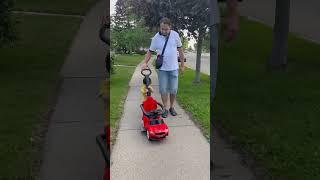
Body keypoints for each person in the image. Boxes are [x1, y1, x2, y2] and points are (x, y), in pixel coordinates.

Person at [141, 17, 185, 118]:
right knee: (163, 89)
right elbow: (150, 52)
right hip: (162, 70)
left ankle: (172, 107)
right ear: (160, 28)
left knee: (173, 89)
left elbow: (181, 51)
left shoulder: (175, 35)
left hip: (174, 68)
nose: (164, 31)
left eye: (166, 29)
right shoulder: (156, 37)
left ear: (170, 28)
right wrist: (145, 63)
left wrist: (182, 65)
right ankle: (165, 108)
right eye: (162, 29)